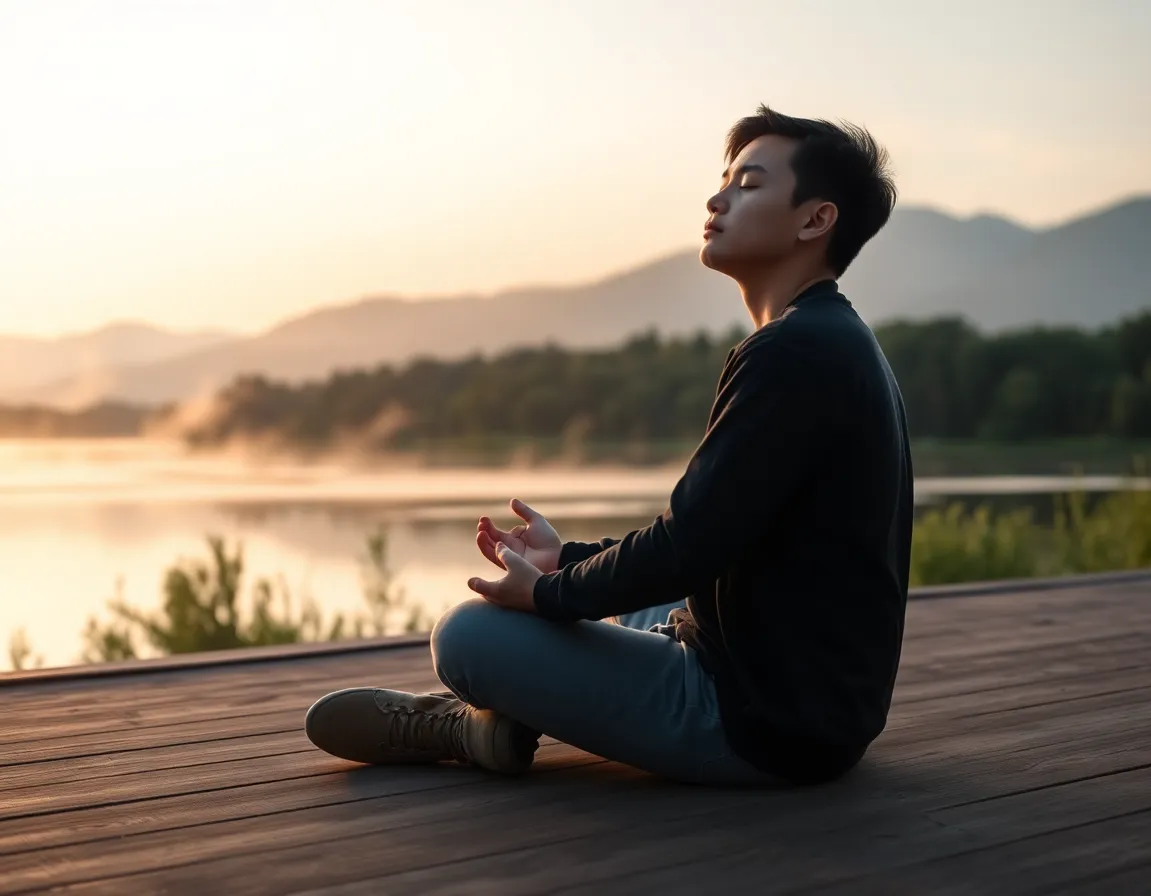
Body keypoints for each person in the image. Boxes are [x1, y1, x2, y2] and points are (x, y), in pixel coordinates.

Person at [305, 104, 912, 786]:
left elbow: (688, 550)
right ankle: (522, 705)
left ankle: (472, 723)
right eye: (724, 181)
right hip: (813, 707)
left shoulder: (792, 353)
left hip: (761, 725)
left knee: (467, 635)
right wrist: (565, 559)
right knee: (642, 597)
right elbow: (711, 540)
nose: (717, 199)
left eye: (749, 184)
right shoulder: (835, 338)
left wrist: (549, 595)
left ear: (814, 219)